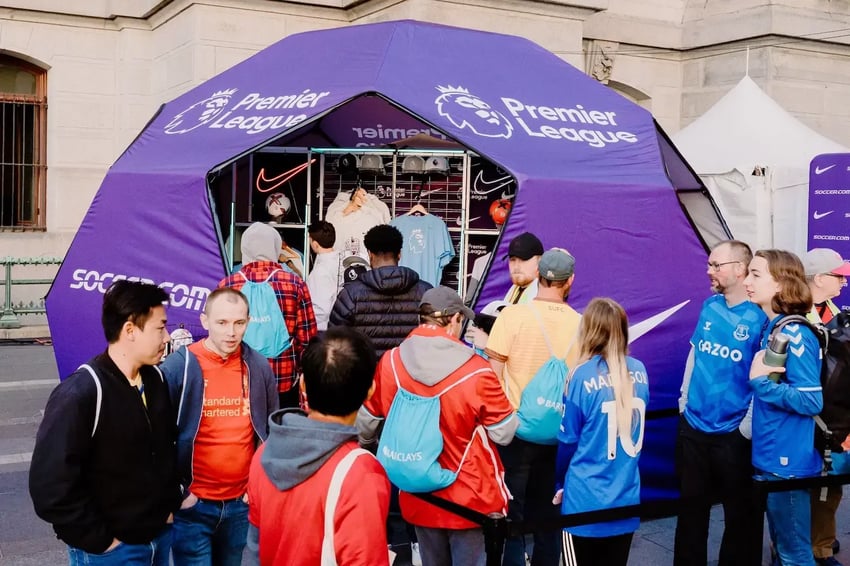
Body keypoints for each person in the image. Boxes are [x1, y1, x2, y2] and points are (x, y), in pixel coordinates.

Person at [358, 287, 518, 565]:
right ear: (455, 319)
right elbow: (504, 433)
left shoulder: (391, 362)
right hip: (471, 498)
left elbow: (366, 425)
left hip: (417, 493)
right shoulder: (477, 370)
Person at [29, 280, 179, 566]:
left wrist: (169, 505)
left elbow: (164, 452)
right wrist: (101, 541)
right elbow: (49, 487)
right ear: (130, 331)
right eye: (160, 327)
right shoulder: (83, 392)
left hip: (158, 539)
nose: (168, 337)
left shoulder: (156, 380)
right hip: (110, 552)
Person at [245, 327, 391, 565]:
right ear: (370, 391)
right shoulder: (360, 473)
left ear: (302, 385)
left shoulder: (265, 453)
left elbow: (254, 547)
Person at [159, 288, 279, 566]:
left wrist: (257, 486)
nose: (231, 332)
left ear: (248, 322)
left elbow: (271, 429)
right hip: (193, 504)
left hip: (240, 502)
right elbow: (158, 435)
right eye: (222, 322)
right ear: (204, 321)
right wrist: (179, 493)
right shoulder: (180, 366)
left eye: (239, 323)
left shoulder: (258, 367)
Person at [485, 247, 582, 566]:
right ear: (570, 282)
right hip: (558, 434)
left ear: (539, 276)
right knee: (549, 517)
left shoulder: (512, 315)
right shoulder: (581, 324)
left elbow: (494, 375)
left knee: (511, 516)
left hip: (515, 431)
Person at [673, 240, 767, 566]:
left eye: (717, 265)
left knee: (741, 519)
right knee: (689, 517)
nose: (709, 271)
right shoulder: (710, 306)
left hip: (733, 434)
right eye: (710, 264)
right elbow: (695, 352)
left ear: (740, 270)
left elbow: (764, 377)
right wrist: (684, 402)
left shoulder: (760, 318)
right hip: (694, 427)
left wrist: (745, 427)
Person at [554, 297, 649, 566]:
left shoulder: (580, 375)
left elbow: (567, 441)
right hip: (626, 496)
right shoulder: (640, 370)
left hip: (585, 501)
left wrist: (559, 483)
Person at [745, 249, 824, 566]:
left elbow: (810, 399)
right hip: (772, 457)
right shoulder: (773, 327)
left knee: (794, 554)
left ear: (780, 284)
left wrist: (761, 384)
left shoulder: (795, 332)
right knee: (781, 548)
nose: (747, 281)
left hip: (787, 463)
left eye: (756, 274)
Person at [220, 222, 317, 408]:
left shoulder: (228, 285)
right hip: (284, 378)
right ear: (274, 246)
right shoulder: (295, 284)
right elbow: (307, 339)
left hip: (238, 378)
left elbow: (218, 336)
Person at [804, 248, 850, 566]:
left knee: (829, 486)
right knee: (796, 490)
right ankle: (793, 547)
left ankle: (820, 544)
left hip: (834, 419)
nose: (845, 281)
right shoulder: (788, 314)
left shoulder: (837, 314)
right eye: (839, 276)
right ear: (819, 278)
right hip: (799, 419)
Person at [329, 223, 432, 357]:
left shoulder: (350, 294)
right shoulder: (425, 292)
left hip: (366, 375)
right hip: (409, 375)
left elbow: (334, 343)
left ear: (370, 254)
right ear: (399, 254)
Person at [306, 220, 343, 332]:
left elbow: (321, 310)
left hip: (324, 330)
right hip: (341, 326)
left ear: (315, 244)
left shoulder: (320, 272)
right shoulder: (342, 261)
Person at [503, 232, 543, 304]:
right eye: (513, 259)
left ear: (539, 261)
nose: (516, 266)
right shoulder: (513, 290)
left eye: (523, 259)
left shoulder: (544, 295)